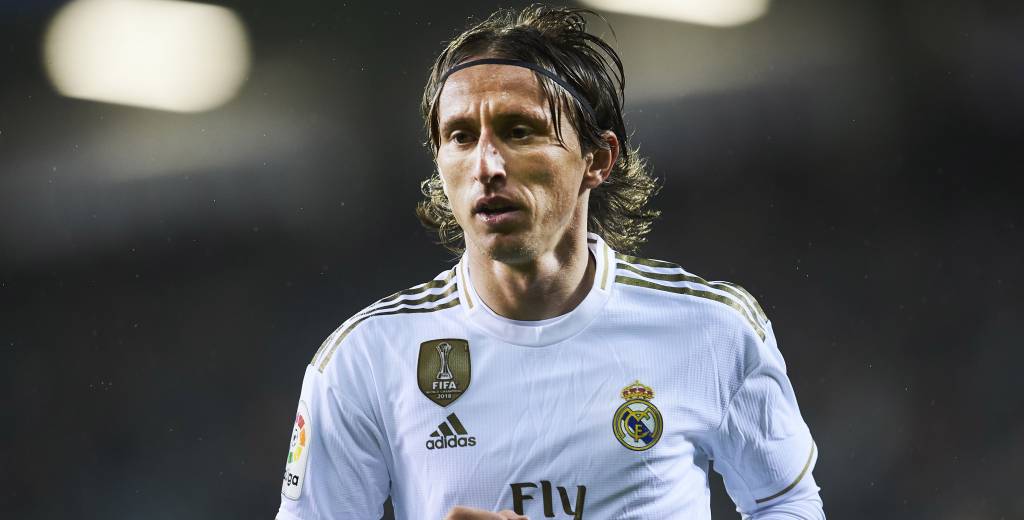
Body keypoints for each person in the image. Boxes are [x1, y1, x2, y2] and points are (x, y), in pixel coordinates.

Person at [276, 5, 824, 519]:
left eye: (519, 131)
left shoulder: (712, 329)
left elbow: (789, 505)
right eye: (461, 137)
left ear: (598, 159)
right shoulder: (366, 359)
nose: (487, 165)